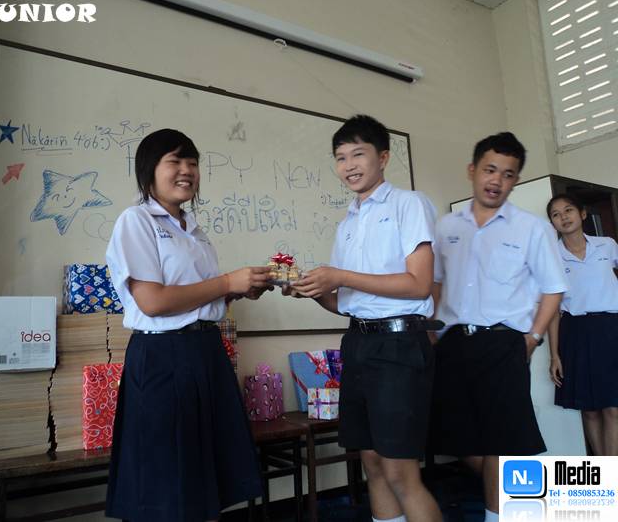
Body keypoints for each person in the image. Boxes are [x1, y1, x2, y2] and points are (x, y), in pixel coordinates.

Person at [104, 128, 271, 522]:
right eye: (174, 161)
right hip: (162, 357)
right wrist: (227, 282)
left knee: (202, 476)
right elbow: (153, 301)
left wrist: (237, 291)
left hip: (204, 352)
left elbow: (196, 298)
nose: (186, 171)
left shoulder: (193, 229)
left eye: (192, 163)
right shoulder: (136, 220)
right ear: (149, 170)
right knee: (165, 480)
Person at [288, 115, 443, 522]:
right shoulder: (347, 223)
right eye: (340, 157)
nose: (349, 165)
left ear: (383, 157)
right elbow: (347, 303)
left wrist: (339, 276)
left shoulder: (408, 204)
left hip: (399, 345)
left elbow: (419, 284)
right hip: (358, 342)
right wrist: (311, 290)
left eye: (358, 154)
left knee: (400, 471)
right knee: (371, 463)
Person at [430, 132, 568, 522]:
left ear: (516, 180)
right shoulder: (445, 227)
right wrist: (432, 334)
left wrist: (533, 338)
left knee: (502, 442)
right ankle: (532, 498)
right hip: (453, 344)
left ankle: (503, 514)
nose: (497, 180)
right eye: (490, 170)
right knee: (455, 439)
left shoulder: (531, 228)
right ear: (472, 170)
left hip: (504, 343)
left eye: (508, 174)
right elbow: (436, 283)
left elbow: (554, 288)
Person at [546, 193, 618, 455]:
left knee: (613, 407)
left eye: (568, 210)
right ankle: (603, 470)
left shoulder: (606, 245)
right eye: (556, 214)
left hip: (611, 329)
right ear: (552, 223)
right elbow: (552, 310)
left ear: (582, 214)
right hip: (575, 332)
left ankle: (613, 473)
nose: (563, 217)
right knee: (589, 410)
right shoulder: (551, 256)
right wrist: (554, 355)